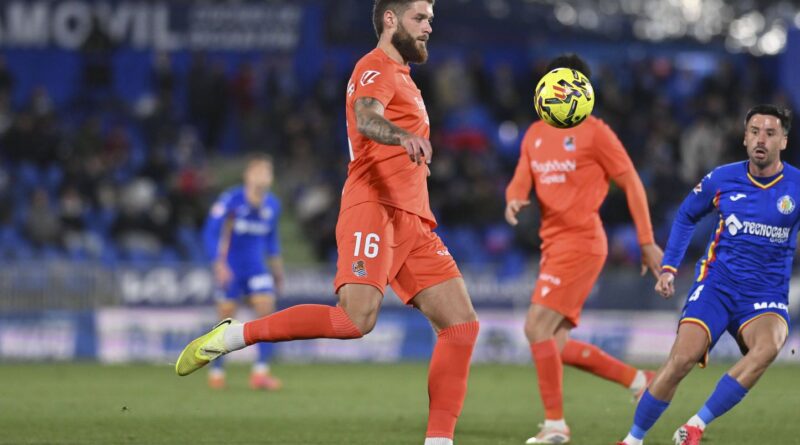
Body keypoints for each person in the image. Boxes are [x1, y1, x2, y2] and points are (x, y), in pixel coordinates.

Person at [177, 2, 479, 444]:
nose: (430, 27)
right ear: (391, 19)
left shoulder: (407, 80)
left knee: (461, 325)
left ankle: (439, 441)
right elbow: (366, 117)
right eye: (421, 18)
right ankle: (235, 336)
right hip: (373, 208)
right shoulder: (374, 67)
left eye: (432, 18)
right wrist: (404, 137)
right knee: (355, 321)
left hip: (413, 219)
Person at [504, 54, 664, 444]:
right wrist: (513, 198)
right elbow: (520, 179)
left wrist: (646, 241)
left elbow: (632, 184)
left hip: (582, 243)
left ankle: (555, 426)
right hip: (552, 244)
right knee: (553, 343)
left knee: (534, 327)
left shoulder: (596, 133)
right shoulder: (535, 134)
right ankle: (637, 380)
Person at [617, 105, 796, 445]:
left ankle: (695, 426)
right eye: (755, 131)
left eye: (770, 133)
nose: (761, 139)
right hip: (717, 286)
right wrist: (669, 268)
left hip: (765, 295)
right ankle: (632, 440)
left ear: (783, 142)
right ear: (744, 138)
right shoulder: (721, 178)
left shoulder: (797, 187)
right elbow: (686, 215)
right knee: (680, 360)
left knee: (769, 346)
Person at [201, 154, 284, 390]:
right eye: (258, 171)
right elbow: (210, 232)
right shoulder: (231, 200)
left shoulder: (273, 205)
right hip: (232, 269)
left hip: (257, 268)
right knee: (225, 321)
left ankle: (260, 373)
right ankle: (216, 372)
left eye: (267, 172)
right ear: (247, 175)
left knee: (267, 315)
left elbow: (272, 240)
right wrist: (218, 263)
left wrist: (277, 270)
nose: (263, 176)